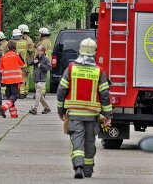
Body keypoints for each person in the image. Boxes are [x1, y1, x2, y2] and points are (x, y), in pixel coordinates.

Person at [57, 38, 112, 179]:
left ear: (80, 50)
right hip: (92, 115)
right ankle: (88, 170)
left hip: (74, 114)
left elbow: (61, 90)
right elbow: (105, 95)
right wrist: (108, 115)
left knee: (77, 140)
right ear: (94, 52)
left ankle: (78, 166)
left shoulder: (71, 69)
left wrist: (61, 110)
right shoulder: (99, 71)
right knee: (90, 142)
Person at [0, 40, 25, 118]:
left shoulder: (4, 56)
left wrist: (5, 74)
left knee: (10, 96)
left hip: (7, 80)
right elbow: (22, 63)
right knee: (15, 95)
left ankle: (14, 114)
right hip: (15, 79)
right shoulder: (16, 55)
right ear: (15, 46)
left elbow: (0, 68)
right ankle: (4, 107)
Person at [28, 45, 51, 115]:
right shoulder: (37, 57)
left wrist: (41, 66)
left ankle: (34, 108)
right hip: (36, 79)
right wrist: (33, 62)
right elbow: (29, 63)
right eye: (37, 50)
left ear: (42, 51)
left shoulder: (46, 59)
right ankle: (47, 108)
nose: (37, 51)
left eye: (38, 50)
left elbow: (49, 68)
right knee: (39, 96)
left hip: (42, 79)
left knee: (37, 93)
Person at [10, 29, 29, 99]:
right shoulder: (25, 42)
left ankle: (16, 92)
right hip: (23, 64)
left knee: (15, 79)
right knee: (23, 78)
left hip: (15, 64)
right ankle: (22, 92)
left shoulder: (12, 43)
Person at [18, 24, 35, 97]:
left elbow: (30, 52)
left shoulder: (27, 40)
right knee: (25, 76)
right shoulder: (28, 39)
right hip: (26, 61)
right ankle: (25, 91)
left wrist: (28, 61)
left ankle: (23, 92)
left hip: (25, 61)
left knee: (24, 76)